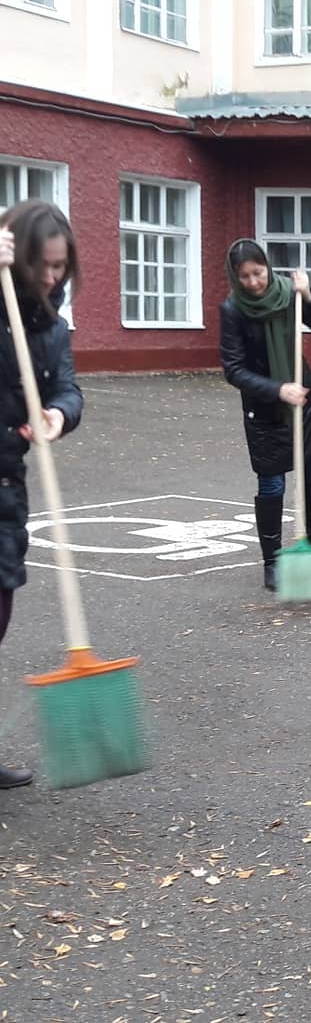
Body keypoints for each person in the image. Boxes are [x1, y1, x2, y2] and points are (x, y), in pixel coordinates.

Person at [0, 200, 84, 789]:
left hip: (8, 489)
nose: (52, 277)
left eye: (61, 266)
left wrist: (59, 413)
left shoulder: (51, 326)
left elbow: (69, 388)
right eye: (44, 265)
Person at [219, 239, 311, 592]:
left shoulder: (290, 295)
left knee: (310, 469)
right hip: (265, 407)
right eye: (245, 276)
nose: (254, 282)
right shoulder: (233, 310)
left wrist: (309, 295)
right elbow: (233, 370)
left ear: (267, 267)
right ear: (235, 277)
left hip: (302, 397)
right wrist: (277, 389)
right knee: (271, 483)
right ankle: (271, 561)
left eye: (258, 273)